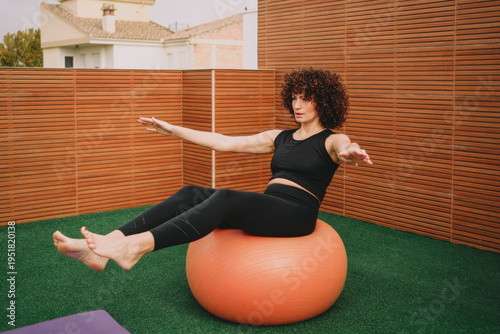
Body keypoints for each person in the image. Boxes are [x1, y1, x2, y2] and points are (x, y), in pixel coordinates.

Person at [53, 68, 373, 271]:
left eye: (306, 99)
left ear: (324, 102)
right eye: (294, 98)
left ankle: (135, 247)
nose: (297, 105)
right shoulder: (280, 137)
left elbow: (343, 149)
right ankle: (105, 246)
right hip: (271, 205)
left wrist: (350, 154)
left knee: (226, 198)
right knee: (192, 192)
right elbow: (222, 142)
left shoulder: (332, 139)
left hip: (298, 214)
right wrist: (172, 129)